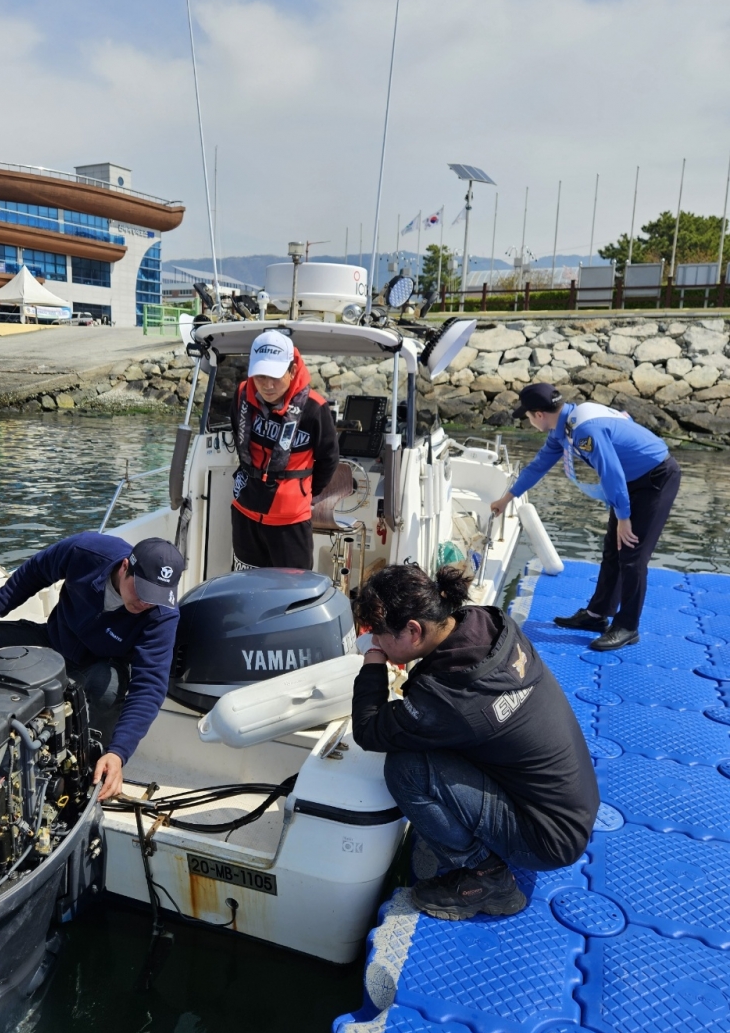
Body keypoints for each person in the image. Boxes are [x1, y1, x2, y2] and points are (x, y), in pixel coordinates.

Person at [352, 563, 599, 920]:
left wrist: (373, 663)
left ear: (413, 630)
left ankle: (485, 877)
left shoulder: (447, 699)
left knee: (406, 769)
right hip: (573, 808)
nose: (375, 641)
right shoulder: (488, 623)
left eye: (379, 634)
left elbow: (368, 729)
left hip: (545, 840)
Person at [0, 533, 185, 801]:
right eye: (142, 591)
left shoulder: (162, 614)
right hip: (53, 641)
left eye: (157, 597)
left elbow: (149, 686)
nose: (146, 603)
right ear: (125, 567)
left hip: (100, 666)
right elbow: (35, 571)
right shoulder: (87, 551)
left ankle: (91, 766)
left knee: (110, 687)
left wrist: (118, 752)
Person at [490, 383, 681, 651]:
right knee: (613, 550)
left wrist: (624, 517)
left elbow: (611, 472)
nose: (529, 421)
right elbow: (538, 466)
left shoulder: (583, 431)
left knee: (632, 554)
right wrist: (506, 499)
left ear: (538, 415)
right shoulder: (566, 425)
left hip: (656, 479)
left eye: (527, 416)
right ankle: (596, 615)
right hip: (632, 481)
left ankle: (627, 626)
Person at [230, 329, 339, 570]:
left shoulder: (315, 409)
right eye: (260, 376)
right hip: (245, 511)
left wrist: (302, 492)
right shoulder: (240, 395)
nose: (268, 385)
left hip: (290, 520)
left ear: (292, 370)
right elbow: (238, 437)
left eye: (276, 376)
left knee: (292, 592)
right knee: (245, 583)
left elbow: (329, 459)